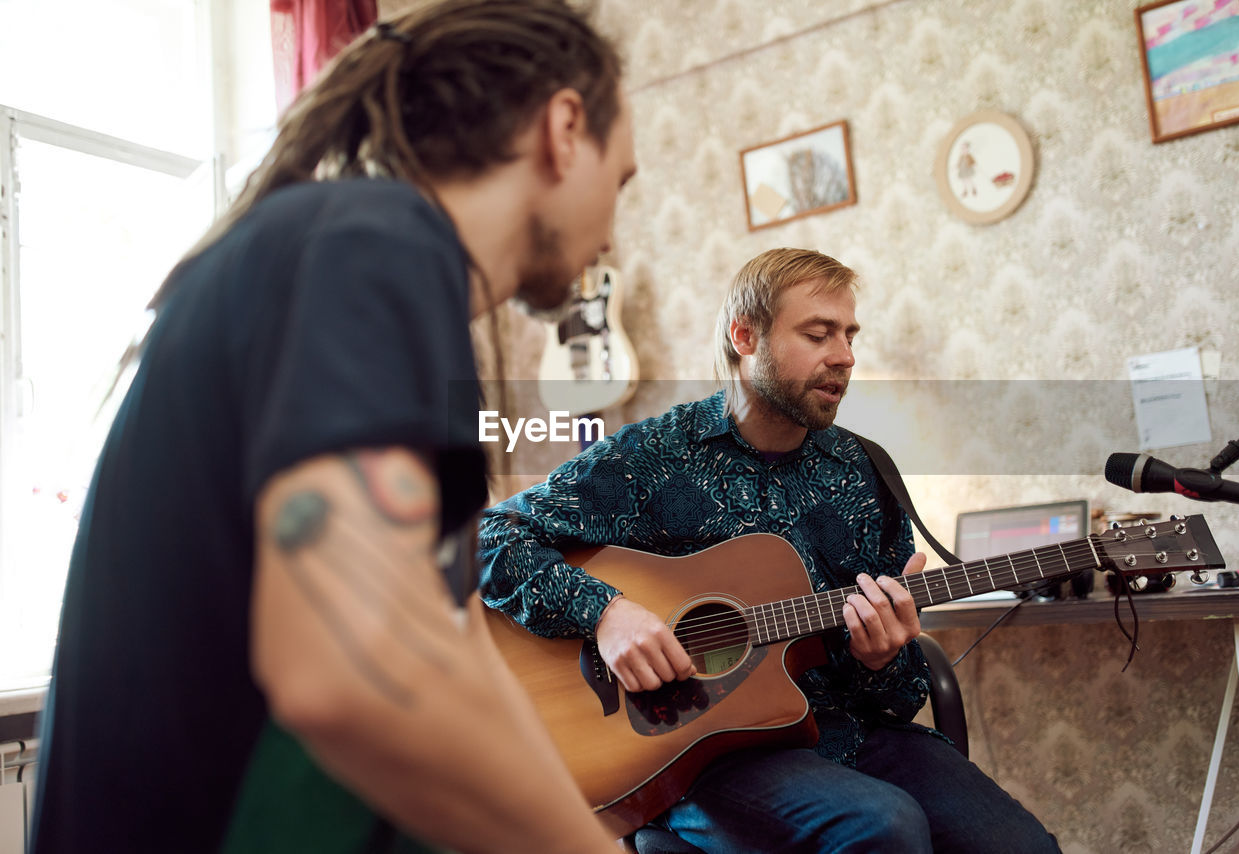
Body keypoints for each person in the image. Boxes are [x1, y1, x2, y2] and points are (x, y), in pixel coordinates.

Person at [30, 2, 635, 853]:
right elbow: (353, 668)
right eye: (624, 180)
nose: (613, 227)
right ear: (565, 129)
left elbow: (455, 649)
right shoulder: (374, 239)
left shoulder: (381, 271)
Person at [478, 248, 1059, 853]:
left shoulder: (864, 470)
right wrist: (606, 613)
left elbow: (900, 692)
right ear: (745, 336)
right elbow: (489, 538)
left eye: (849, 335)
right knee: (882, 826)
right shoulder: (648, 458)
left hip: (848, 731)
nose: (844, 356)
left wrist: (883, 657)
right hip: (700, 754)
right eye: (818, 334)